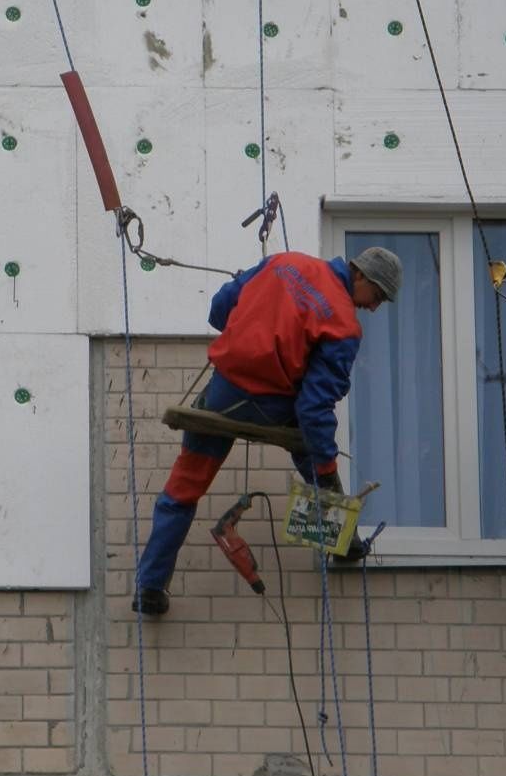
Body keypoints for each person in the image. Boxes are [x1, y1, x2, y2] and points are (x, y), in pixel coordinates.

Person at [133, 246, 403, 617]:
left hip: (221, 397)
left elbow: (219, 308)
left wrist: (251, 336)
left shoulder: (284, 262)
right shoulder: (343, 325)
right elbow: (313, 407)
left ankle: (149, 586)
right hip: (273, 406)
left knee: (182, 489)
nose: (374, 307)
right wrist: (324, 471)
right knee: (313, 452)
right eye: (378, 296)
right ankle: (343, 542)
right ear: (361, 276)